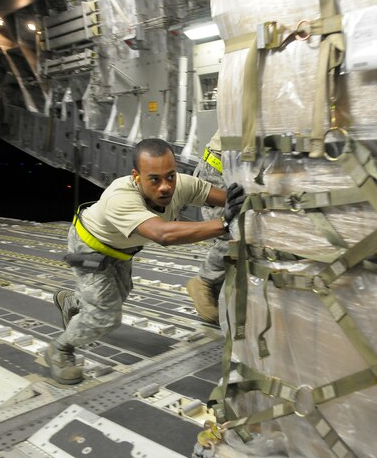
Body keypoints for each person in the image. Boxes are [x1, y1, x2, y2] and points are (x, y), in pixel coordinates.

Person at [46, 138, 245, 385]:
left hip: (122, 249)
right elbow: (164, 234)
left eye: (170, 176)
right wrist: (223, 223)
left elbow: (223, 198)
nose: (165, 187)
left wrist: (241, 200)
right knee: (106, 316)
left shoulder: (179, 185)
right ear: (136, 176)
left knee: (120, 293)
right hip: (90, 247)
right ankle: (60, 349)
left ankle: (73, 303)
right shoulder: (120, 197)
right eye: (154, 179)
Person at [186, 131, 228, 324]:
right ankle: (204, 281)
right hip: (219, 171)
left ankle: (219, 296)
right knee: (233, 231)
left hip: (236, 167)